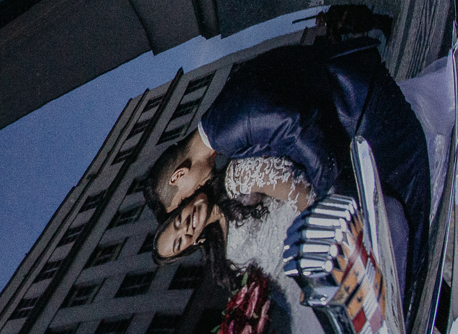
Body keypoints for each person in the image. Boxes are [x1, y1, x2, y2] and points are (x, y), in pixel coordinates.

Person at [143, 32, 431, 314]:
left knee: (409, 259)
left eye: (181, 206)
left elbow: (306, 138)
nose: (191, 205)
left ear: (178, 176)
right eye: (182, 239)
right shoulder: (223, 125)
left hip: (361, 114)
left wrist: (342, 220)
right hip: (353, 121)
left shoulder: (229, 132)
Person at [154, 156, 313, 296]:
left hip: (313, 232)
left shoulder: (235, 176)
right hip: (298, 286)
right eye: (179, 242)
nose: (185, 228)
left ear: (183, 204)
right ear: (192, 244)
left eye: (178, 222)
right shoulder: (219, 257)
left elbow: (301, 191)